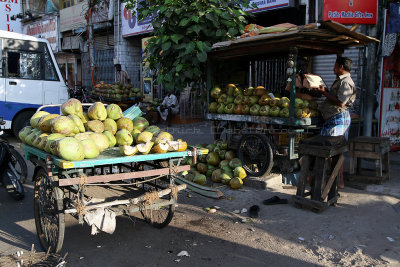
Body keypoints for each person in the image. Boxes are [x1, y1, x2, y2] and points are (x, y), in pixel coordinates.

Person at [316, 56, 356, 188]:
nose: (333, 68)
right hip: (333, 118)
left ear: (341, 67)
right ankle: (333, 179)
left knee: (337, 150)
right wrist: (325, 92)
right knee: (331, 150)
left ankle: (339, 181)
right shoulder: (340, 80)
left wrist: (324, 93)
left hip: (338, 118)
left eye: (334, 65)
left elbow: (341, 102)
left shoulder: (346, 82)